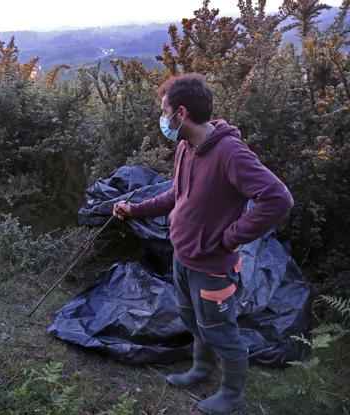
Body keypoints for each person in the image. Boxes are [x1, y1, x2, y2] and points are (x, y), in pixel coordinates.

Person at [113, 73, 294, 415]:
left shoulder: (230, 153)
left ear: (181, 113)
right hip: (183, 257)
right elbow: (176, 194)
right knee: (194, 320)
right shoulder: (186, 146)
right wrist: (134, 210)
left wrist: (230, 237)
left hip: (213, 266)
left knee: (220, 329)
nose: (161, 118)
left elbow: (278, 198)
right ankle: (200, 370)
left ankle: (231, 393)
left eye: (164, 110)